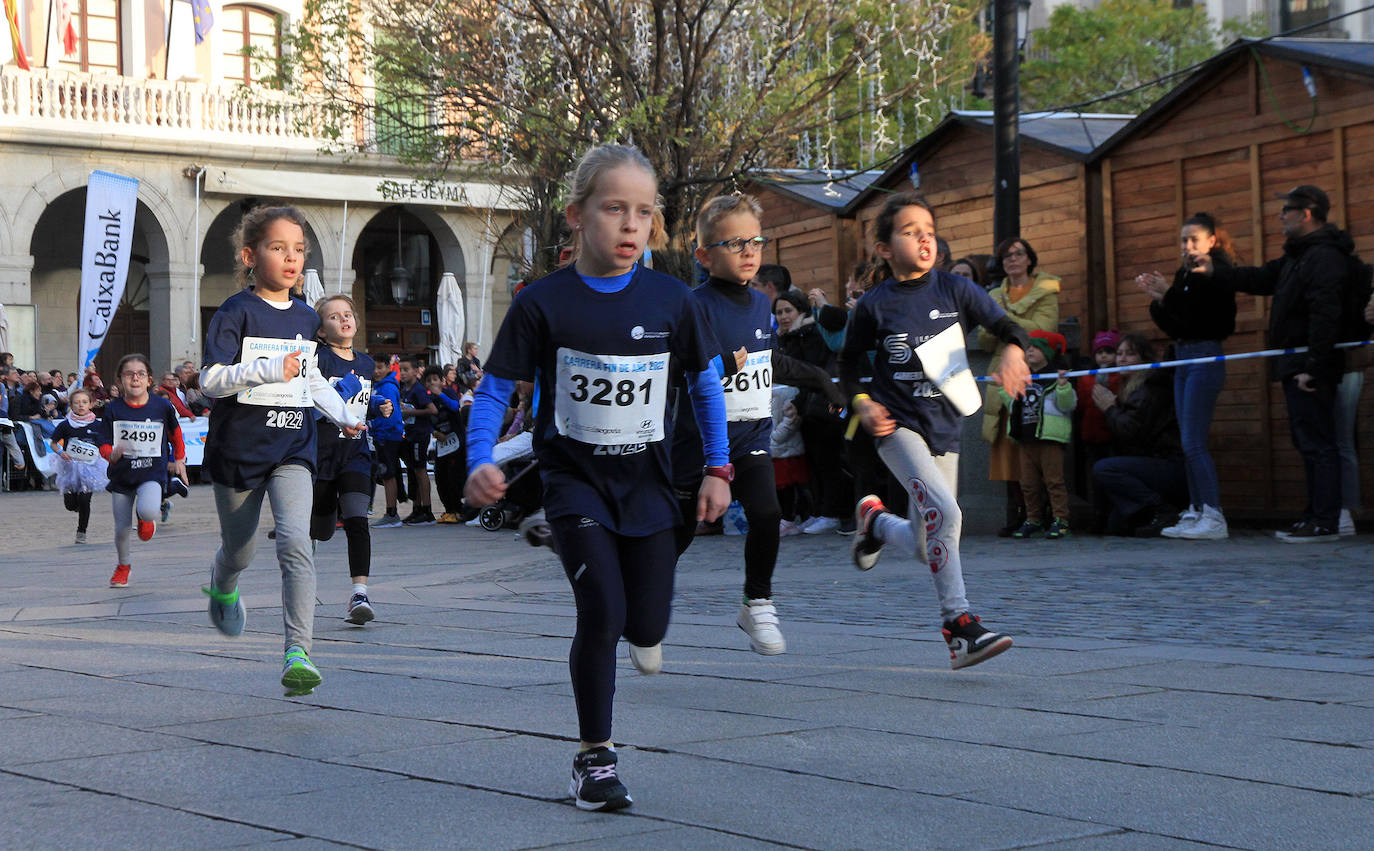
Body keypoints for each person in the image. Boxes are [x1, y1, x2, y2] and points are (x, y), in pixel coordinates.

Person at [464, 144, 730, 812]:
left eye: (643, 211)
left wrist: (718, 468)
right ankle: (594, 760)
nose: (630, 224)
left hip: (651, 488)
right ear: (577, 215)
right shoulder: (541, 302)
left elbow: (706, 387)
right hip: (574, 482)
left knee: (646, 626)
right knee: (603, 612)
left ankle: (589, 563)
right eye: (614, 208)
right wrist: (479, 458)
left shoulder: (674, 301)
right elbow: (494, 390)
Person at [844, 192, 1030, 670]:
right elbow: (847, 368)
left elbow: (1010, 328)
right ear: (884, 249)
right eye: (910, 232)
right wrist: (863, 404)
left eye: (929, 231)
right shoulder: (873, 305)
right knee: (946, 512)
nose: (924, 239)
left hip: (945, 424)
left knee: (928, 542)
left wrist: (1013, 351)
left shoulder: (956, 290)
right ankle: (959, 627)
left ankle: (876, 523)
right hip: (896, 427)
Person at [198, 205, 363, 697]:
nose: (291, 258)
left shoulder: (308, 317)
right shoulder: (235, 311)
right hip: (239, 451)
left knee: (295, 541)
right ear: (251, 256)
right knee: (241, 550)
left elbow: (310, 378)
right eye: (278, 248)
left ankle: (298, 652)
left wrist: (343, 414)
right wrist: (268, 369)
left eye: (298, 249)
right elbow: (210, 380)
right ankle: (223, 582)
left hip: (293, 446)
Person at [673, 193, 847, 656]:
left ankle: (757, 601)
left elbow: (770, 363)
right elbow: (673, 371)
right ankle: (643, 599)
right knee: (680, 533)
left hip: (750, 434)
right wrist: (719, 366)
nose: (749, 251)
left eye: (756, 241)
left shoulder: (758, 304)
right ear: (704, 256)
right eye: (735, 243)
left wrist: (823, 382)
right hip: (697, 440)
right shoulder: (692, 305)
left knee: (767, 513)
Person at [1189, 185, 1350, 542]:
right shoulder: (1298, 256)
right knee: (1308, 441)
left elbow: (1326, 313)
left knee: (1318, 443)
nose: (1280, 215)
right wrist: (1215, 269)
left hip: (1309, 366)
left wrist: (1314, 366)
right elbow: (1260, 278)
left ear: (1306, 214)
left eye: (1286, 209)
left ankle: (1325, 521)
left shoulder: (1323, 257)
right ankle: (1315, 517)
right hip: (1297, 363)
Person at [1137, 212, 1238, 540]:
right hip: (1183, 355)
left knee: (1194, 441)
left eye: (1194, 239)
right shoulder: (1183, 273)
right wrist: (1158, 301)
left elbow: (1207, 320)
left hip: (1205, 356)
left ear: (1212, 241)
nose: (1188, 246)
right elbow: (1177, 323)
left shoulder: (1216, 272)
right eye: (1184, 240)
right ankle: (1196, 509)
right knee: (1186, 440)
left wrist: (1168, 294)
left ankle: (1213, 513)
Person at [978, 237, 1061, 536]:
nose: (1012, 259)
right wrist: (999, 324)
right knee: (1007, 449)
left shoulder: (1046, 289)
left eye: (1018, 254)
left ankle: (1045, 513)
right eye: (1006, 256)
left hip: (1034, 374)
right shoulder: (994, 295)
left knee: (1036, 448)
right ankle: (1021, 512)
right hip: (1001, 375)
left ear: (1029, 259)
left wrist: (1002, 319)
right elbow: (985, 340)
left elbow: (1044, 331)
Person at [312, 294, 383, 625]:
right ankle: (302, 579)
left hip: (355, 454)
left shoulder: (366, 363)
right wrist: (344, 392)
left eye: (348, 314)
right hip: (321, 455)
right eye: (334, 316)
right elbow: (311, 405)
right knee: (321, 529)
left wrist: (378, 404)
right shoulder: (318, 359)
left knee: (357, 520)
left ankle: (359, 594)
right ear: (321, 330)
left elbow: (361, 403)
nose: (343, 319)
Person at [98, 353, 186, 587]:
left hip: (151, 472)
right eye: (129, 374)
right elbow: (103, 442)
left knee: (147, 511)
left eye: (140, 374)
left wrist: (180, 459)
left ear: (149, 380)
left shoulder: (162, 406)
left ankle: (145, 518)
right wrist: (110, 454)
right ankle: (123, 566)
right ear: (120, 380)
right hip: (122, 475)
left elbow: (175, 434)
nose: (135, 378)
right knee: (121, 529)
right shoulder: (113, 409)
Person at [1091, 335, 1187, 537]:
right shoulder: (1132, 386)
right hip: (1150, 464)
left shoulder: (1150, 387)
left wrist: (1109, 409)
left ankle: (1162, 509)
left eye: (1130, 354)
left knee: (1104, 469)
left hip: (1169, 464)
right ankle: (1154, 510)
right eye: (1119, 354)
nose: (1122, 359)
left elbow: (1130, 432)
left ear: (1144, 359)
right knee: (1117, 526)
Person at [774, 288, 849, 534]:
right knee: (812, 462)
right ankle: (818, 511)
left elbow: (813, 373)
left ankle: (831, 513)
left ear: (800, 311)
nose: (783, 317)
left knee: (827, 461)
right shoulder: (785, 337)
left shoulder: (809, 333)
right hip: (802, 408)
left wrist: (800, 402)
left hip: (820, 405)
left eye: (788, 311)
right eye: (779, 312)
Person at [1002, 331, 1075, 539]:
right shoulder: (1023, 377)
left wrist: (1063, 387)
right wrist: (1004, 387)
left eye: (1036, 347)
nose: (1030, 350)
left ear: (1048, 352)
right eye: (1029, 347)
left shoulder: (1056, 377)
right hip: (1026, 437)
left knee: (1054, 481)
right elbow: (1011, 404)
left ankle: (1061, 519)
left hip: (1049, 438)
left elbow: (1068, 405)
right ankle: (1033, 519)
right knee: (1028, 483)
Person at [49, 388, 109, 545]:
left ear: (91, 404)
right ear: (71, 405)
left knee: (84, 499)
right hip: (70, 467)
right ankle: (76, 506)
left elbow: (104, 445)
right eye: (76, 403)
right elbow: (53, 443)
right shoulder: (66, 425)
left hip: (90, 468)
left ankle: (81, 531)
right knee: (70, 504)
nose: (81, 405)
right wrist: (61, 452)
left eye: (84, 402)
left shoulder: (98, 425)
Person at [1075, 330, 1122, 531]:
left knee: (1113, 478)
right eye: (1100, 352)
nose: (1104, 356)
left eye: (1109, 352)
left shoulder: (1120, 376)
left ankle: (1114, 516)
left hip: (1113, 435)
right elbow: (1082, 404)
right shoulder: (1087, 378)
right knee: (1095, 480)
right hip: (1092, 435)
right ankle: (1099, 516)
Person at [397, 358, 438, 525]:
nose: (403, 373)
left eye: (406, 369)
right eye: (401, 370)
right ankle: (417, 508)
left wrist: (411, 412)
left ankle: (427, 510)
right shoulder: (404, 389)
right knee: (413, 471)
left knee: (420, 470)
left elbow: (432, 410)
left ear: (415, 371)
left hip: (420, 435)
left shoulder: (418, 390)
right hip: (410, 434)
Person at [369, 358, 406, 527]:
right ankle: (392, 512)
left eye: (380, 367)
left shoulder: (387, 387)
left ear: (388, 367)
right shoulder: (380, 385)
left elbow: (390, 414)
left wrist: (379, 431)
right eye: (374, 368)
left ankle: (391, 513)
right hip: (384, 435)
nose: (376, 371)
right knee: (387, 474)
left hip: (387, 436)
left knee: (388, 475)